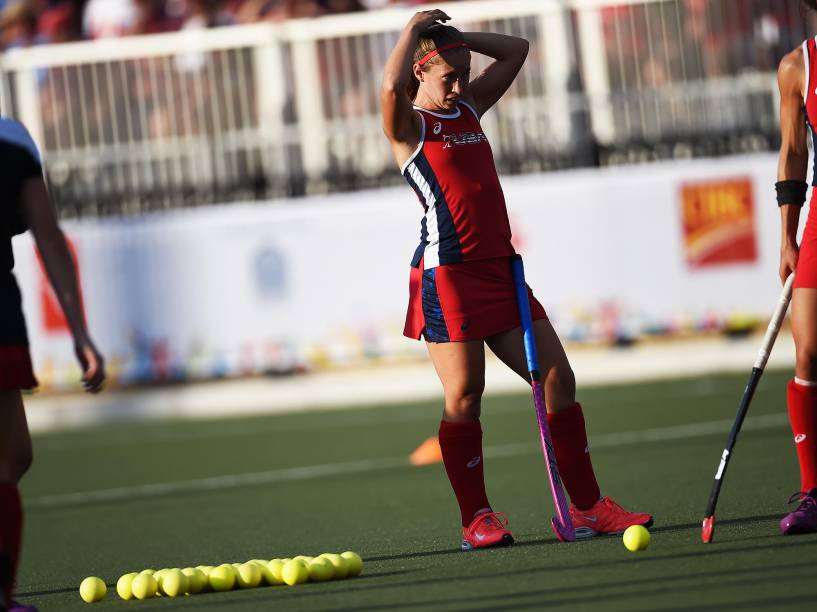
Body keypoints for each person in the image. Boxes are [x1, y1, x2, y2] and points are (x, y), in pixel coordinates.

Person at [379, 9, 652, 550]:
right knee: (465, 394)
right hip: (449, 276)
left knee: (557, 380)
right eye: (448, 77)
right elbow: (389, 82)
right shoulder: (410, 126)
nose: (459, 85)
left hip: (501, 271)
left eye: (463, 75)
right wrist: (414, 30)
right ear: (420, 72)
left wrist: (456, 43)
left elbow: (517, 50)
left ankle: (589, 507)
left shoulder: (468, 108)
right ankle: (476, 519)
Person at [1, 116, 105, 611]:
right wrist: (79, 331)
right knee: (7, 459)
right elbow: (47, 236)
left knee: (15, 454)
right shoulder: (10, 140)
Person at [774, 0, 817, 535]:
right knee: (807, 347)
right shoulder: (797, 65)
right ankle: (813, 491)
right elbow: (792, 149)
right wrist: (787, 232)